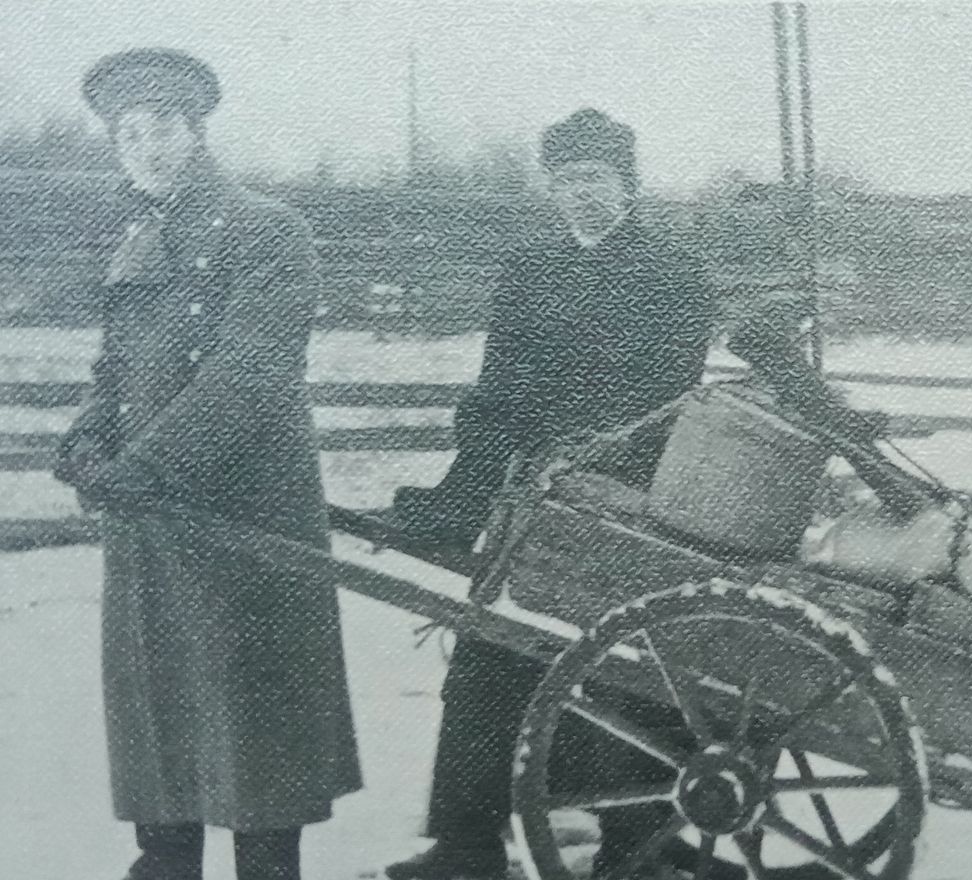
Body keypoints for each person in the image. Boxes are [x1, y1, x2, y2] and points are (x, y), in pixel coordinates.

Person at [52, 48, 362, 880]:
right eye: (129, 134)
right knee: (159, 709)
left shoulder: (268, 231)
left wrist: (146, 466)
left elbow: (249, 373)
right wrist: (87, 437)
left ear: (196, 132)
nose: (147, 148)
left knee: (253, 725)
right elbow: (117, 370)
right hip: (150, 519)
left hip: (244, 514)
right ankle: (165, 867)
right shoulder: (134, 238)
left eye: (163, 129)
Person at [384, 108, 717, 880]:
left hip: (625, 505)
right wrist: (463, 492)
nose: (582, 196)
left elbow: (670, 397)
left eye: (596, 178)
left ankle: (639, 848)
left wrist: (591, 458)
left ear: (628, 184)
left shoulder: (672, 273)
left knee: (631, 672)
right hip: (528, 499)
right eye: (566, 181)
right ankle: (466, 845)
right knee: (487, 651)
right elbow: (496, 391)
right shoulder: (529, 270)